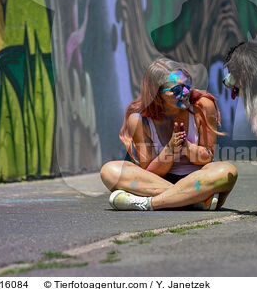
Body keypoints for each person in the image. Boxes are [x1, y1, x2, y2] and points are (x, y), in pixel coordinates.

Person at [100, 58, 238, 210]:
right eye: (177, 90)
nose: (185, 92)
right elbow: (150, 171)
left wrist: (186, 147)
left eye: (187, 85)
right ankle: (193, 199)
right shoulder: (139, 120)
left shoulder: (203, 106)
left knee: (227, 172)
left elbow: (207, 157)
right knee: (109, 171)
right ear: (157, 95)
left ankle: (149, 203)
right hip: (159, 182)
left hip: (197, 178)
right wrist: (170, 150)